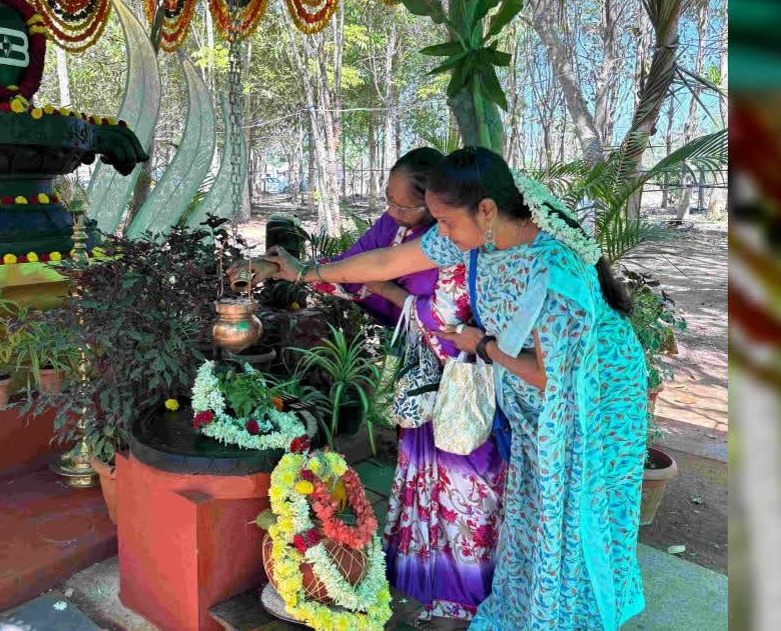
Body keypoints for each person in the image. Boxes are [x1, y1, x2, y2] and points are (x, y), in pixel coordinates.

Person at [261, 147, 647, 630]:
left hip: (591, 398)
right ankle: (533, 602)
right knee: (533, 507)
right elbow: (384, 261)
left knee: (571, 508)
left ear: (486, 209)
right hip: (531, 389)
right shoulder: (476, 237)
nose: (437, 233)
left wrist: (480, 344)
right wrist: (305, 273)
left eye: (444, 221)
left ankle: (566, 614)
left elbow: (549, 376)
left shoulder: (552, 272)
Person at [240, 147, 508, 626]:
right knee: (426, 474)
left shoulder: (470, 243)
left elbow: (442, 316)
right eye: (389, 201)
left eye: (405, 206)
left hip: (470, 381)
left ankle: (466, 591)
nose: (393, 213)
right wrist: (299, 271)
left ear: (438, 204)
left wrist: (385, 289)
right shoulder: (414, 231)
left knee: (467, 484)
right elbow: (357, 264)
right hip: (425, 373)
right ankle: (426, 576)